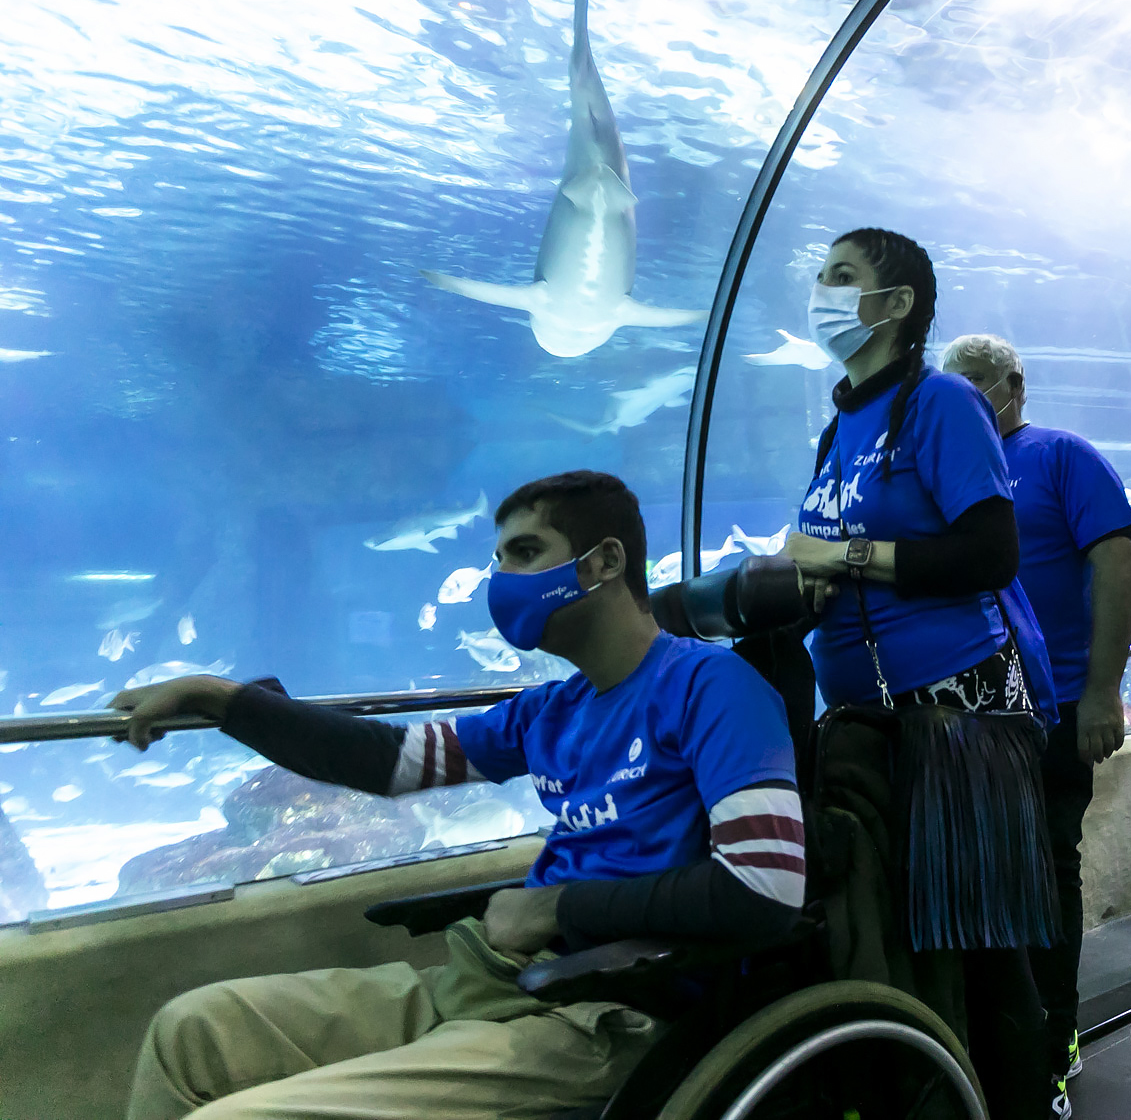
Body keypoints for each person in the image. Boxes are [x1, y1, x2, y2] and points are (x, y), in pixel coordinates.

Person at [112, 471, 805, 1120]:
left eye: (525, 552)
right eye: (499, 558)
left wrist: (555, 905)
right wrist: (226, 700)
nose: (502, 579)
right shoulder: (548, 711)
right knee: (191, 1030)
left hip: (607, 1010)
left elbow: (764, 889)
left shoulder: (712, 687)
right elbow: (389, 761)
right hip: (492, 979)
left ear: (603, 562)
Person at [783, 227, 1053, 1119]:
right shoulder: (839, 427)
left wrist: (846, 554)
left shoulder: (939, 404)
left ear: (896, 305)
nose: (822, 291)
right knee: (913, 949)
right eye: (821, 275)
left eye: (843, 276)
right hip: (870, 727)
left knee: (981, 948)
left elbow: (990, 551)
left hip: (958, 719)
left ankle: (1018, 1101)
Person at [942, 332, 1131, 1104]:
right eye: (952, 384)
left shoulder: (1062, 456)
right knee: (985, 878)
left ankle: (1055, 1033)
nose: (966, 396)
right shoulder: (953, 470)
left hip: (1051, 705)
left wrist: (1101, 690)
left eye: (979, 381)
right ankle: (997, 1038)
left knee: (1049, 870)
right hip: (967, 716)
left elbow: (1116, 561)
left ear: (1014, 384)